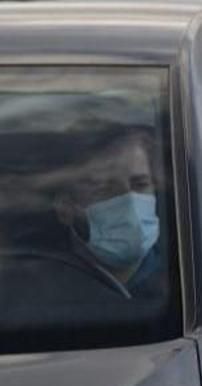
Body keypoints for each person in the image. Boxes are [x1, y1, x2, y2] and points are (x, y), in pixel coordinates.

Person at [52, 126, 165, 298]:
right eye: (105, 189)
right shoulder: (39, 290)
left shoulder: (186, 279)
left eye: (140, 185)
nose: (129, 202)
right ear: (65, 208)